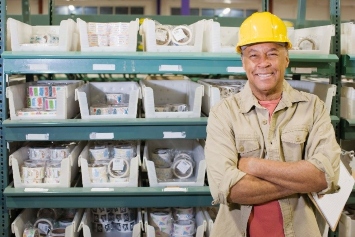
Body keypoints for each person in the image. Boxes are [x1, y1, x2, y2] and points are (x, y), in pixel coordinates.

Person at [205, 12, 341, 237]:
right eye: (253, 55)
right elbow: (228, 188)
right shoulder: (224, 112)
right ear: (244, 62)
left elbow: (324, 176)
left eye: (272, 53)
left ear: (286, 58)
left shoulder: (312, 107)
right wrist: (301, 181)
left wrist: (253, 166)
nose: (263, 63)